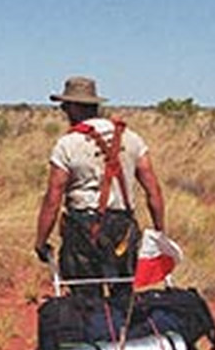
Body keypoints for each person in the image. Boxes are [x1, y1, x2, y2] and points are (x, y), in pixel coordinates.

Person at [34, 76, 165, 295]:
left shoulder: (68, 144)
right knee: (124, 297)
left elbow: (53, 198)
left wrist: (41, 241)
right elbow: (153, 191)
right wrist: (160, 234)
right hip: (123, 228)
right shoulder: (132, 139)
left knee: (85, 300)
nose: (64, 111)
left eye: (65, 106)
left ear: (76, 107)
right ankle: (121, 328)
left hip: (82, 231)